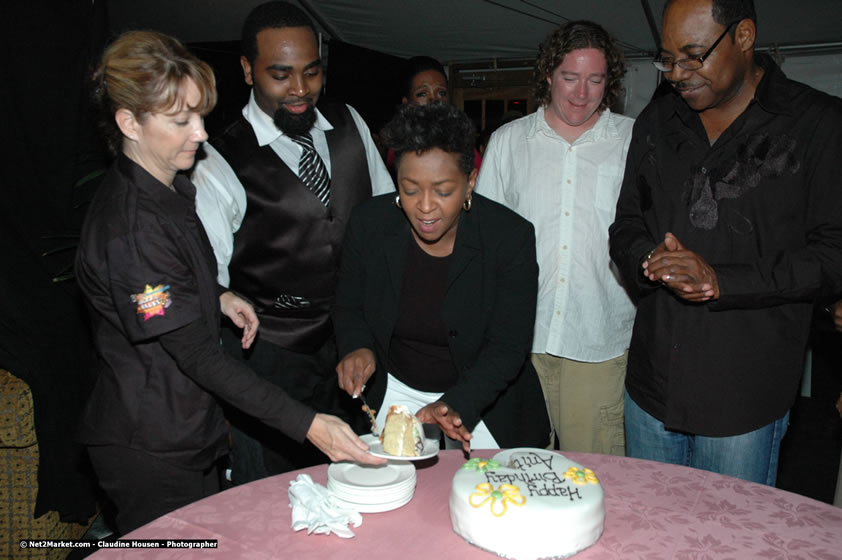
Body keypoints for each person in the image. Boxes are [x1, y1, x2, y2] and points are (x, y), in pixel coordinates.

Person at [76, 30, 384, 534]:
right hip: (150, 442)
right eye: (181, 121)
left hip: (188, 429)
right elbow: (195, 355)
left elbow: (175, 277)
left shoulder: (167, 187)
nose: (201, 134)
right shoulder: (132, 228)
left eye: (200, 115)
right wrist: (308, 424)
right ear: (129, 122)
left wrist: (218, 295)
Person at [608, 0, 842, 484]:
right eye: (668, 59)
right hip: (651, 388)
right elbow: (626, 223)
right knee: (650, 527)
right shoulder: (658, 118)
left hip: (743, 398)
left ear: (744, 36)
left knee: (729, 528)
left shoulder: (819, 124)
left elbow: (832, 256)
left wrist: (721, 281)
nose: (678, 74)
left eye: (694, 56)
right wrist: (649, 258)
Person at [192, 1, 394, 483]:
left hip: (357, 348)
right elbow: (208, 283)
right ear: (248, 70)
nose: (301, 89)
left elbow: (386, 223)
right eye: (281, 75)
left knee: (367, 479)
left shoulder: (350, 123)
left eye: (312, 72)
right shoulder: (217, 159)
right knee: (280, 494)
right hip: (271, 360)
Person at [333, 103, 551, 450]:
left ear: (470, 183)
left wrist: (456, 403)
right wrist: (357, 346)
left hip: (483, 395)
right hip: (393, 388)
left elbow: (508, 347)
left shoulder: (510, 238)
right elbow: (348, 305)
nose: (425, 206)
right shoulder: (368, 224)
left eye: (443, 191)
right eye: (410, 189)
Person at [478, 21, 635, 455]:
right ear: (548, 74)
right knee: (520, 469)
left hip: (598, 340)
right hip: (520, 341)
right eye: (570, 77)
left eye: (595, 80)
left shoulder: (632, 141)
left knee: (595, 474)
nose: (581, 93)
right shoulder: (509, 142)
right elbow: (484, 243)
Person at [386, 56, 483, 173]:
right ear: (407, 103)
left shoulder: (461, 143)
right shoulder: (399, 148)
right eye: (422, 94)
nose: (434, 100)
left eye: (441, 93)